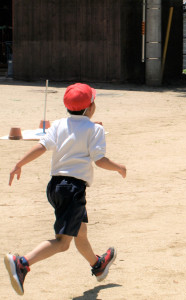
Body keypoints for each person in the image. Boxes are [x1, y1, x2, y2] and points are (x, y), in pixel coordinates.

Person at [4, 83, 127, 295]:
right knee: (62, 243)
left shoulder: (59, 125)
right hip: (73, 189)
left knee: (81, 232)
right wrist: (119, 168)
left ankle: (98, 265)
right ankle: (22, 263)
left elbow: (41, 147)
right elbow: (100, 160)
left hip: (55, 187)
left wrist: (19, 163)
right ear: (90, 106)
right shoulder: (94, 129)